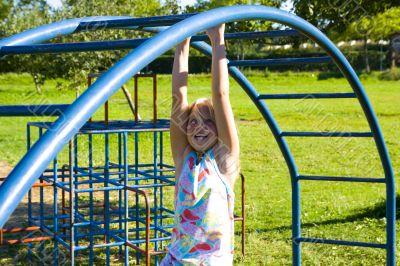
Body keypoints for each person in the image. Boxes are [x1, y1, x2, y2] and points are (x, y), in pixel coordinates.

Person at [161, 24, 240, 265]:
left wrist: (218, 40)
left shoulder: (225, 162)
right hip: (177, 259)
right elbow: (179, 98)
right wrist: (182, 44)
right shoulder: (184, 157)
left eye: (208, 121)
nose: (199, 127)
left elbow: (220, 95)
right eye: (193, 121)